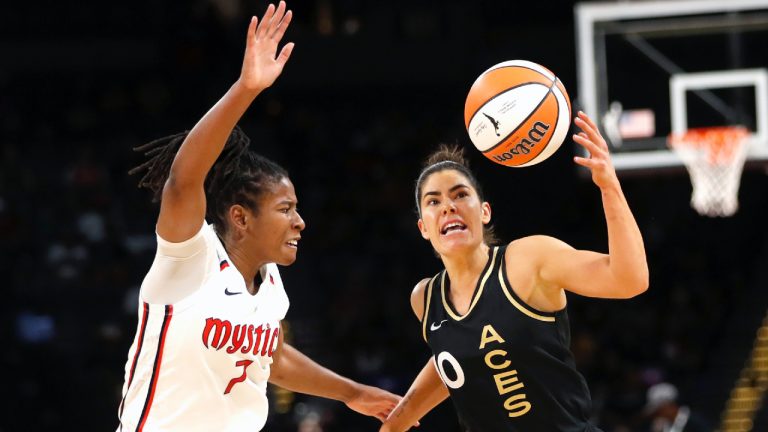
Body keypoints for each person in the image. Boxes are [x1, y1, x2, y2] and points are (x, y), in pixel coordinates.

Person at [117, 3, 400, 430]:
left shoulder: (269, 284)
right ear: (241, 217)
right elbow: (182, 180)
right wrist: (246, 90)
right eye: (286, 209)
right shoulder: (192, 257)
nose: (300, 221)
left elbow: (273, 356)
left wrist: (353, 393)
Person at [380, 111, 650, 431]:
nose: (448, 207)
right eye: (434, 201)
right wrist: (396, 422)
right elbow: (453, 360)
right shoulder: (425, 298)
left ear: (484, 212)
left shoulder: (528, 259)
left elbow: (629, 280)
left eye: (460, 194)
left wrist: (609, 187)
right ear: (424, 228)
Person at [645, 382, 712, 432]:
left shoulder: (694, 421)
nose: (658, 415)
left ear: (668, 406)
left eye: (659, 411)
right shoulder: (666, 425)